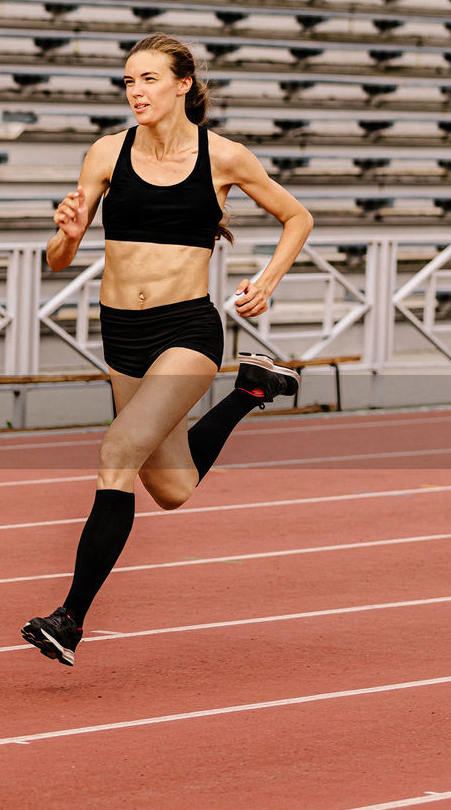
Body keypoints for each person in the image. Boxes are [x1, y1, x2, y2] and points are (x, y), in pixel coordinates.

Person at [20, 33, 313, 666]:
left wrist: (265, 281)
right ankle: (251, 391)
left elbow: (298, 217)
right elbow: (59, 257)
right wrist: (66, 236)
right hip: (120, 331)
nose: (135, 93)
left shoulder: (224, 157)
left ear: (183, 84)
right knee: (172, 488)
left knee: (117, 451)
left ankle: (69, 620)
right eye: (128, 82)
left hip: (187, 328)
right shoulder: (105, 153)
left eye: (148, 79)